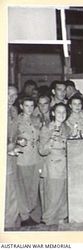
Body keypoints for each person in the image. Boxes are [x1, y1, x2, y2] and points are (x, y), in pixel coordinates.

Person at [38, 103, 71, 225]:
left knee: (63, 200)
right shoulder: (46, 128)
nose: (61, 115)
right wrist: (51, 139)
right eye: (58, 112)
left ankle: (61, 223)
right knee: (52, 201)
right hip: (53, 169)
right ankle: (47, 225)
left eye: (64, 112)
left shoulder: (67, 128)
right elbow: (42, 151)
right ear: (53, 113)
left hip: (66, 168)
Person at [11, 96, 41, 227]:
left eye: (31, 106)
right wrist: (17, 140)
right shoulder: (16, 121)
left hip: (36, 158)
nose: (29, 108)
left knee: (33, 188)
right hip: (22, 159)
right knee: (22, 188)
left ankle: (29, 213)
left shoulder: (36, 120)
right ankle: (24, 217)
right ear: (21, 106)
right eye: (26, 105)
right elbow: (10, 138)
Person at [5, 85, 20, 228]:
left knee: (12, 188)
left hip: (11, 155)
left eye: (14, 95)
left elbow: (14, 133)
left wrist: (19, 140)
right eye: (8, 94)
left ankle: (10, 222)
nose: (11, 98)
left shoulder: (14, 111)